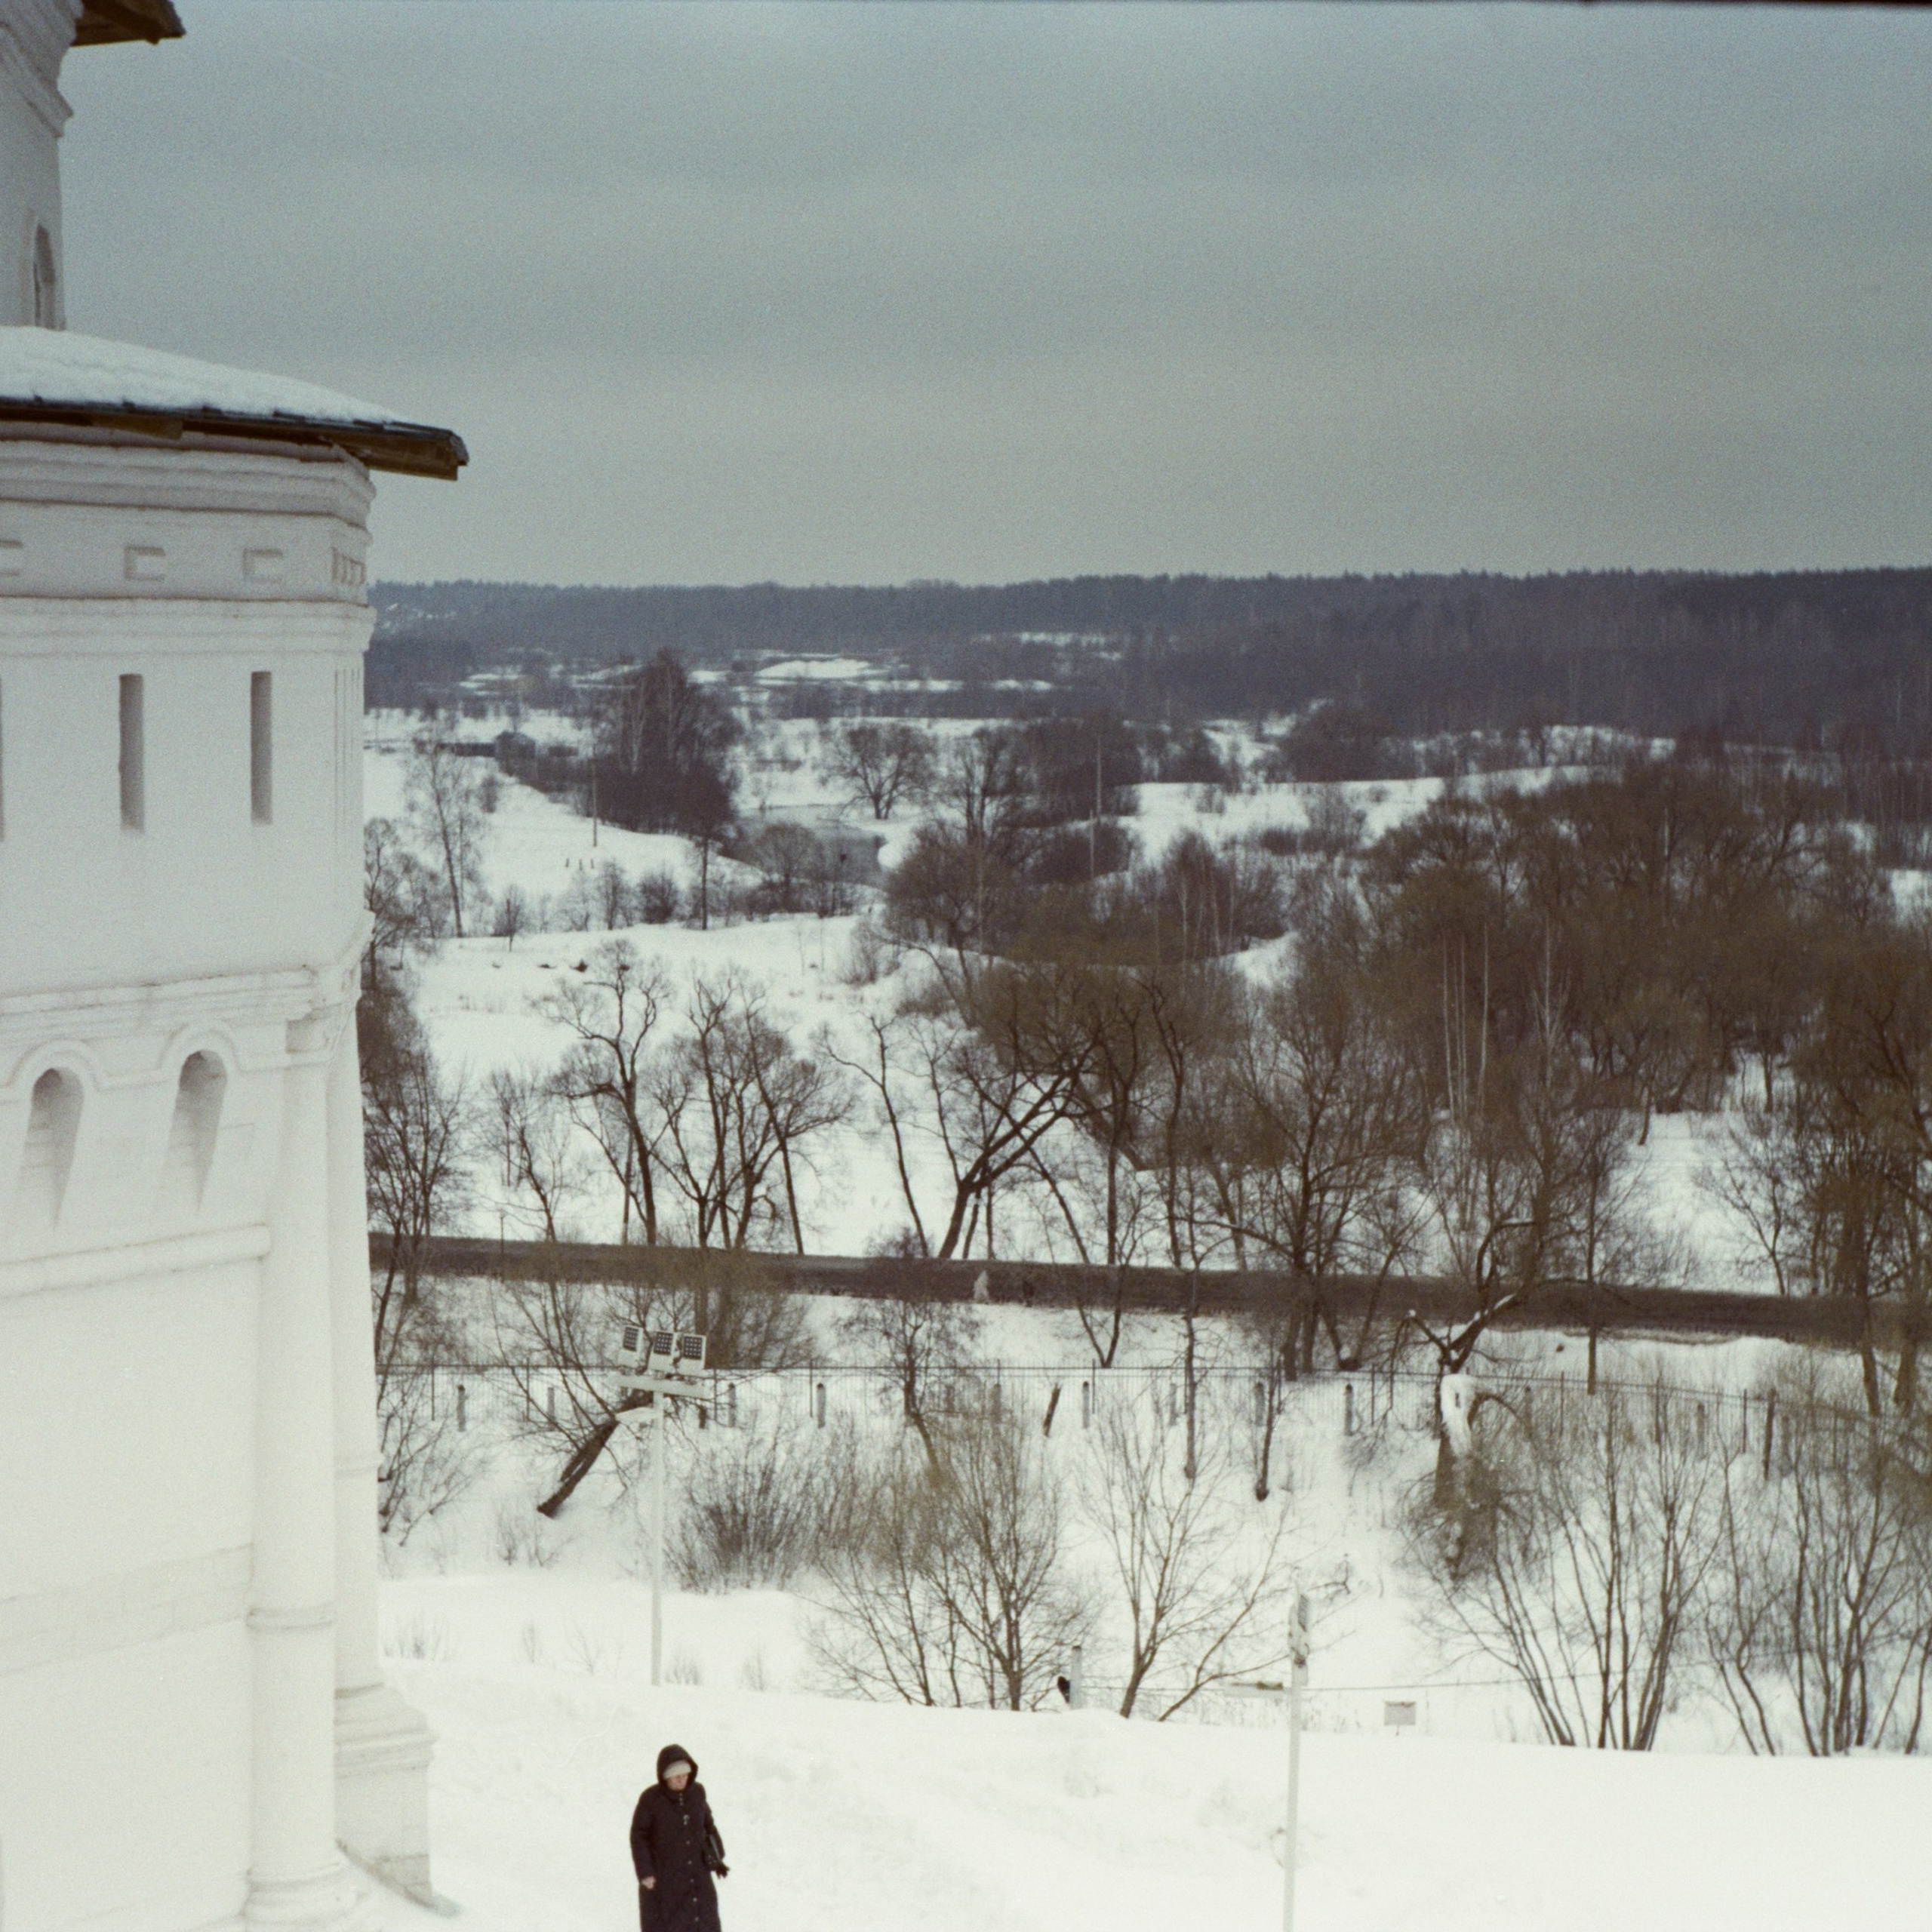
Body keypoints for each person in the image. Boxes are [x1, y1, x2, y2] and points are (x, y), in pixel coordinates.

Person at [630, 1743, 728, 1932]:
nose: (682, 1780)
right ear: (665, 1777)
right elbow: (639, 1837)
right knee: (673, 1923)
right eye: (676, 1777)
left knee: (704, 1920)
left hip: (698, 1873)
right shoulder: (651, 1800)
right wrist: (646, 1872)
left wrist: (716, 1856)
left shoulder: (697, 1793)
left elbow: (708, 1826)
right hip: (666, 1876)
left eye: (685, 1775)